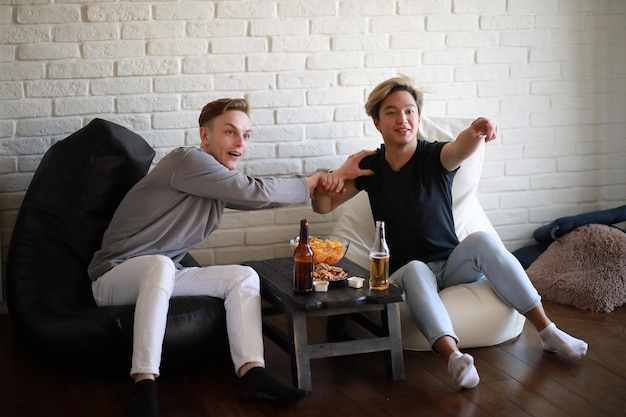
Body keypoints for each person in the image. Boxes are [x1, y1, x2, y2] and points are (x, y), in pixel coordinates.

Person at [87, 97, 372, 417]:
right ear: (205, 136)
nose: (240, 142)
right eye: (230, 132)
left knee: (244, 275)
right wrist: (315, 181)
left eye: (246, 135)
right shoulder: (188, 161)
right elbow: (253, 191)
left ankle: (253, 374)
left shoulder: (215, 180)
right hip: (114, 277)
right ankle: (145, 384)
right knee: (159, 264)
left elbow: (258, 196)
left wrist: (331, 176)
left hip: (161, 275)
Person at [311, 75, 588, 390]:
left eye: (409, 111)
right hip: (407, 272)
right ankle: (454, 358)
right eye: (391, 112)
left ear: (418, 117)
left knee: (482, 240)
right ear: (377, 122)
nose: (402, 119)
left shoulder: (434, 155)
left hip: (452, 264)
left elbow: (461, 147)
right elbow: (323, 206)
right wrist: (331, 179)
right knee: (415, 267)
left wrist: (477, 129)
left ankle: (548, 333)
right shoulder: (370, 166)